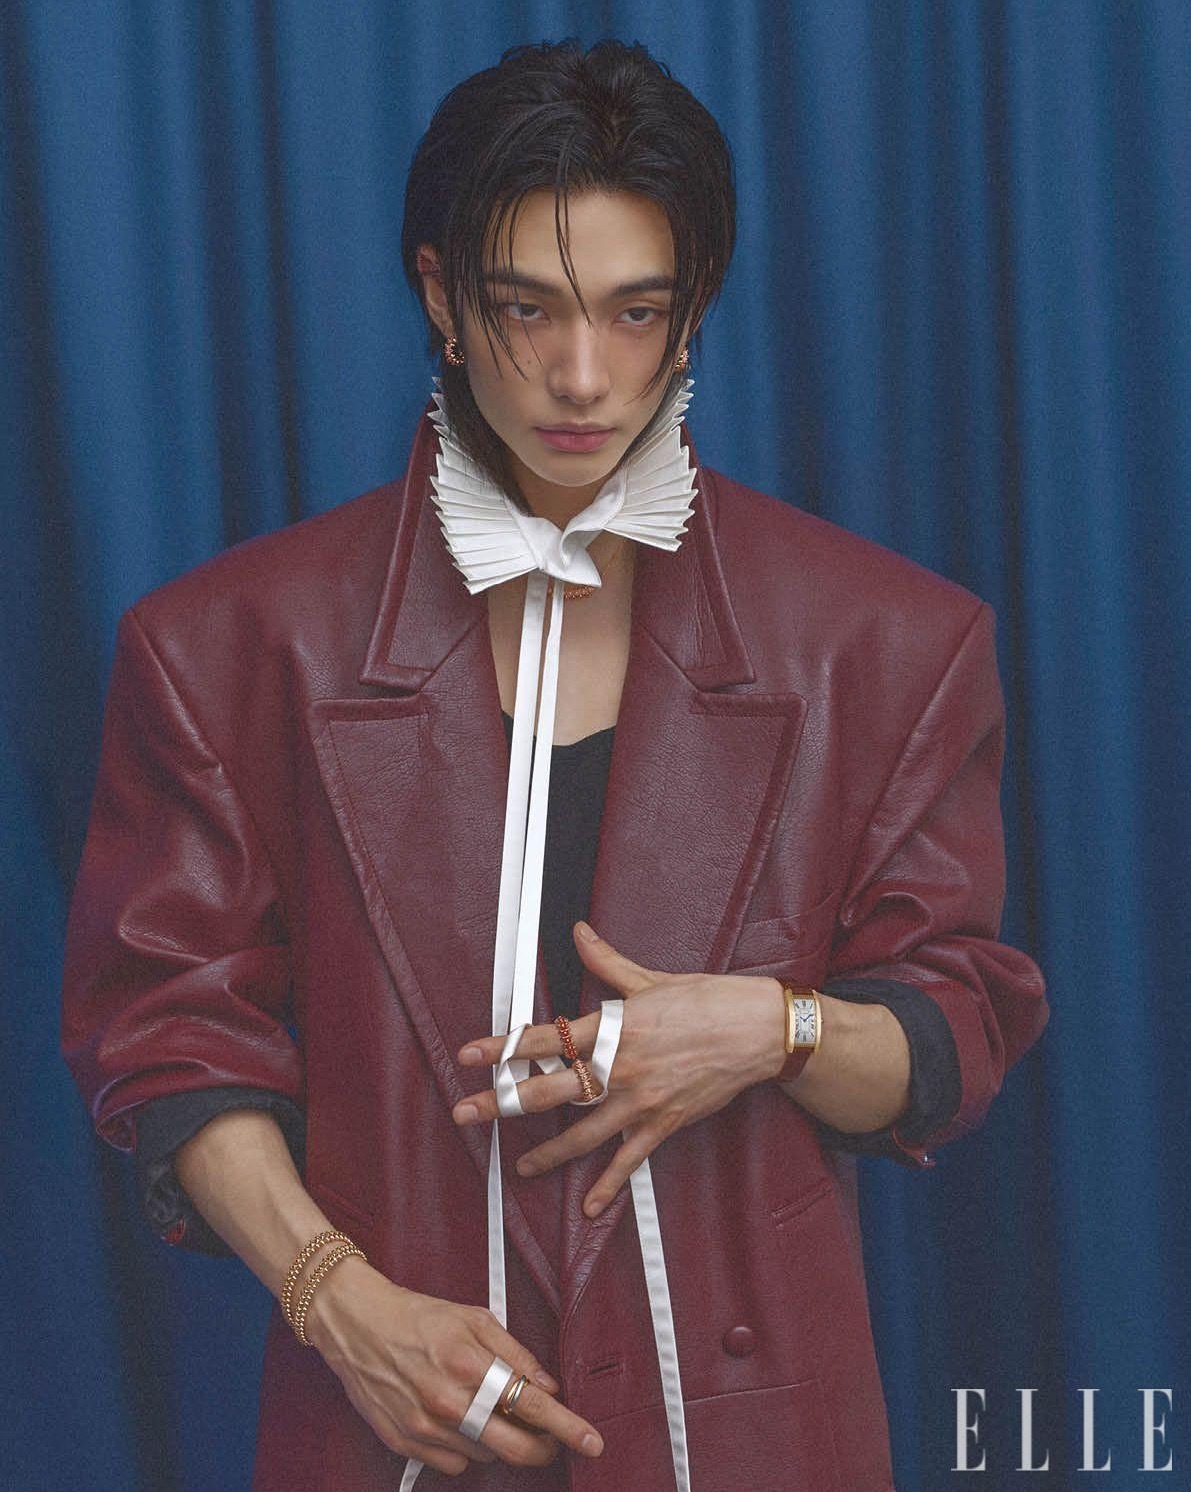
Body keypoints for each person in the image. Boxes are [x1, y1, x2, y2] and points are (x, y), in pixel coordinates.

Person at [59, 37, 1048, 1492]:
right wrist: (345, 1308)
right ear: (440, 297)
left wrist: (769, 1029)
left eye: (636, 313)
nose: (583, 377)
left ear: (693, 309)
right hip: (390, 1436)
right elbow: (169, 1041)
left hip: (753, 1436)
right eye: (528, 309)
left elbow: (952, 1034)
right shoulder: (226, 647)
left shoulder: (890, 642)